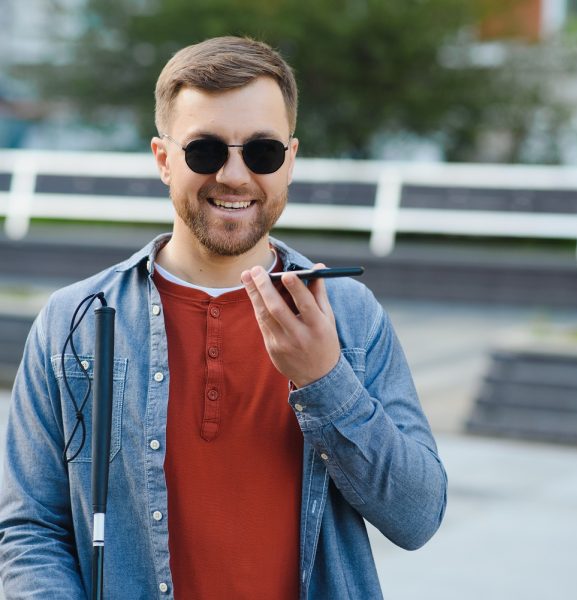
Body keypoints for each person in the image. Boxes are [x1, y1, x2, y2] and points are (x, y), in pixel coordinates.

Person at [0, 36, 447, 599]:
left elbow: (419, 517)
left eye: (261, 152)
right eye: (205, 151)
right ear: (164, 159)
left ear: (290, 161)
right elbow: (30, 530)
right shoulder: (76, 321)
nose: (235, 176)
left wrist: (325, 380)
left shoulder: (351, 317)